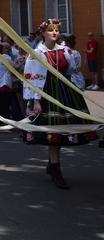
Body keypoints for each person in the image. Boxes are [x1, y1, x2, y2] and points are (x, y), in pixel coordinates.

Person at [23, 19, 99, 189]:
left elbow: (72, 71)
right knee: (53, 133)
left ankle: (52, 164)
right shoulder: (36, 53)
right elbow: (33, 78)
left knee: (61, 132)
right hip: (47, 93)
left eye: (57, 30)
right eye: (51, 30)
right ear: (43, 33)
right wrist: (36, 100)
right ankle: (56, 170)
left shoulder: (66, 51)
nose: (55, 33)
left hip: (65, 92)